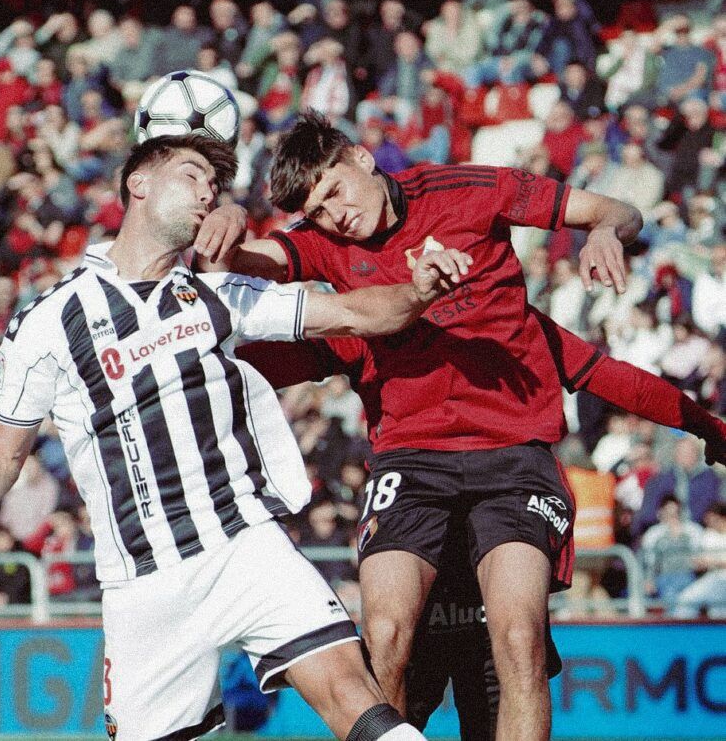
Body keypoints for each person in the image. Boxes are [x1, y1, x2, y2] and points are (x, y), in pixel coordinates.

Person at [0, 134, 465, 741]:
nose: (208, 192)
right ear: (137, 183)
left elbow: (355, 313)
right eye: (194, 174)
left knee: (359, 703)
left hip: (245, 547)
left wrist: (417, 291)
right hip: (144, 585)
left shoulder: (217, 293)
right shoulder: (47, 324)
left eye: (215, 185)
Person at [207, 110, 649, 741]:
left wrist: (605, 231)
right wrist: (227, 227)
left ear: (360, 157)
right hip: (410, 460)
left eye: (334, 191)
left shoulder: (468, 189)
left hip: (512, 456)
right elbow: (257, 257)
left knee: (518, 637)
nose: (335, 215)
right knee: (384, 634)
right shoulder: (323, 242)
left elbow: (619, 211)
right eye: (318, 211)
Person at [236, 308, 726, 740]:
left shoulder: (521, 322)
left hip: (508, 509)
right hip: (416, 509)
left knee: (514, 650)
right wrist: (191, 351)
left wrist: (706, 425)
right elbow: (266, 362)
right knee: (387, 645)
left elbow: (617, 378)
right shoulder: (378, 319)